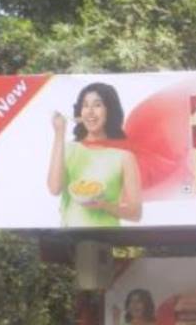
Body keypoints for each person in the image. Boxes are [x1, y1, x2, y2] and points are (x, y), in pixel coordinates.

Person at [47, 82, 142, 227]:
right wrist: (59, 133)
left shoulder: (124, 156)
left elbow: (135, 213)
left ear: (109, 110)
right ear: (80, 112)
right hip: (69, 239)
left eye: (97, 105)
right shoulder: (68, 149)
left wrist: (104, 205)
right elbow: (54, 189)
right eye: (85, 105)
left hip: (107, 238)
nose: (90, 111)